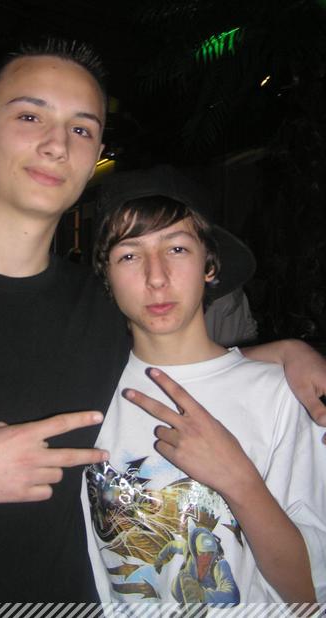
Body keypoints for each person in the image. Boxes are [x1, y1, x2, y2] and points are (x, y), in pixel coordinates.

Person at [0, 41, 325, 601]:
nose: (56, 144)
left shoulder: (101, 309)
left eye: (80, 129)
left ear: (96, 154)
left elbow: (180, 355)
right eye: (30, 116)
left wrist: (283, 354)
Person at [82, 187, 326, 607]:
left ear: (209, 266)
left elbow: (308, 594)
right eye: (129, 255)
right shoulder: (86, 395)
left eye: (177, 249)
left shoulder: (282, 396)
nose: (156, 277)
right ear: (108, 276)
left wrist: (239, 480)